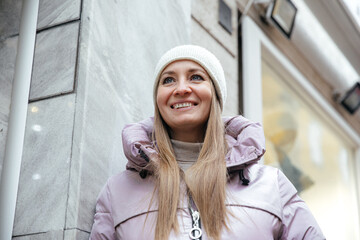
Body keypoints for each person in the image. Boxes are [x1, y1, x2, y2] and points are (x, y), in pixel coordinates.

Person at [89, 45, 325, 239]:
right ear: (158, 99)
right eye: (168, 80)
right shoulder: (117, 192)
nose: (181, 88)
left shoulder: (272, 186)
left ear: (216, 94)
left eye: (196, 77)